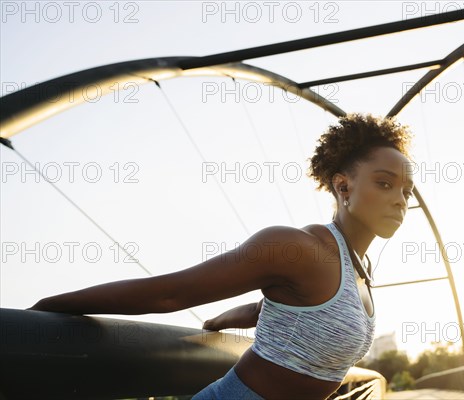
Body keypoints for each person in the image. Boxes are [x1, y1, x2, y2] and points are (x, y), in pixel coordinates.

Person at [29, 113, 415, 400]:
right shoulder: (296, 248)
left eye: (407, 190)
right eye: (385, 183)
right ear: (343, 186)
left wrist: (228, 318)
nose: (399, 199)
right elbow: (169, 294)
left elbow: (294, 312)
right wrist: (50, 307)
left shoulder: (359, 271)